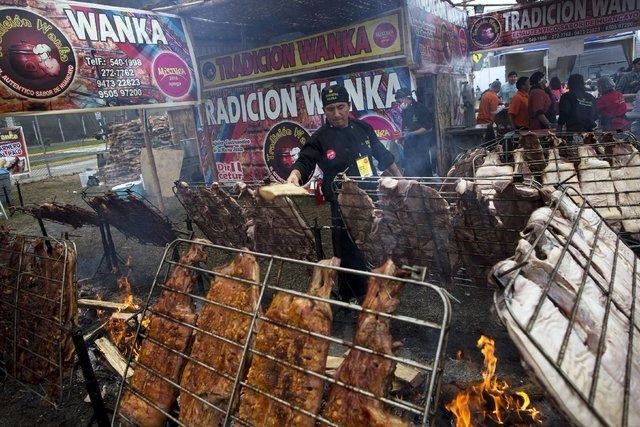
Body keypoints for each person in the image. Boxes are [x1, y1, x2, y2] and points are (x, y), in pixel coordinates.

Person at [286, 85, 402, 300]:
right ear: (324, 111)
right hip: (340, 204)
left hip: (369, 198)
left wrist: (401, 180)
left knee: (377, 244)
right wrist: (295, 176)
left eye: (341, 107)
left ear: (349, 106)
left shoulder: (363, 129)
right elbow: (305, 160)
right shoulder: (320, 137)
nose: (337, 114)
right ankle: (359, 298)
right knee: (349, 252)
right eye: (330, 109)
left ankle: (378, 287)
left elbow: (382, 154)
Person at [395, 87, 435, 177]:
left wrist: (411, 134)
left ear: (405, 98)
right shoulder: (404, 111)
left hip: (421, 147)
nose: (399, 104)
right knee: (410, 173)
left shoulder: (421, 108)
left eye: (399, 101)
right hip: (409, 147)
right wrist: (401, 137)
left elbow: (428, 128)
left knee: (423, 173)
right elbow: (405, 127)